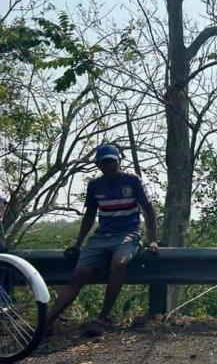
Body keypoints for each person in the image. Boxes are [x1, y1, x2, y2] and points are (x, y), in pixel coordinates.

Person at [47, 144, 158, 337]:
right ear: (98, 164)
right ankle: (46, 323)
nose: (110, 166)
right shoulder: (94, 186)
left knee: (119, 262)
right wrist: (78, 243)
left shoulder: (132, 181)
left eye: (113, 162)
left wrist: (153, 240)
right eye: (105, 162)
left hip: (128, 234)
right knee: (79, 275)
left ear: (119, 162)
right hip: (101, 237)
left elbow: (148, 209)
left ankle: (102, 318)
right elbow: (90, 215)